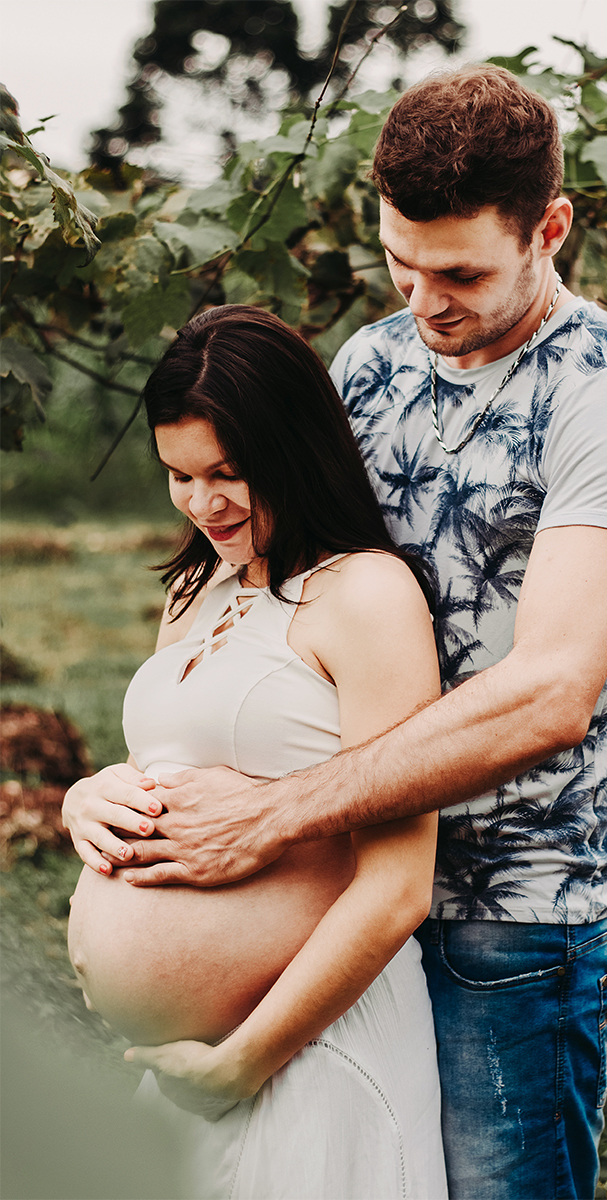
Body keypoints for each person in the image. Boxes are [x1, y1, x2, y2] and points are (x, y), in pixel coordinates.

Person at [64, 66, 607, 1200]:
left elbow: (551, 691)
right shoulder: (374, 364)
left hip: (512, 911)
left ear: (549, 226)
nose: (423, 301)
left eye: (459, 274)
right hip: (347, 901)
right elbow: (283, 603)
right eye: (400, 263)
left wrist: (270, 816)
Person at [65, 306, 448, 1200]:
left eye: (230, 473)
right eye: (180, 475)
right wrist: (88, 797)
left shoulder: (367, 596)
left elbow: (398, 885)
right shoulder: (195, 588)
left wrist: (245, 1061)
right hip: (191, 1069)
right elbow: (169, 761)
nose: (204, 504)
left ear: (294, 447)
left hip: (313, 1048)